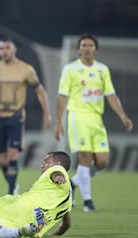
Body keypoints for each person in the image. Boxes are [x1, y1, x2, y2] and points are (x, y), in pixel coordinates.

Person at [54, 33, 134, 212]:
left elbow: (111, 94)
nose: (87, 48)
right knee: (85, 158)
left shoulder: (102, 69)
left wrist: (123, 116)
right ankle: (88, 201)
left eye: (90, 45)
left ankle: (73, 184)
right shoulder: (70, 69)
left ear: (96, 49)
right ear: (78, 49)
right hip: (77, 116)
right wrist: (59, 122)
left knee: (102, 162)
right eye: (83, 45)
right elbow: (62, 96)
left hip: (96, 118)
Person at [0, 37, 51, 195]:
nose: (4, 51)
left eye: (7, 48)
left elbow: (40, 91)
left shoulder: (26, 69)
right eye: (1, 48)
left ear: (14, 49)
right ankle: (13, 184)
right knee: (2, 160)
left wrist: (47, 114)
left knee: (12, 154)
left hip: (16, 117)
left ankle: (11, 191)